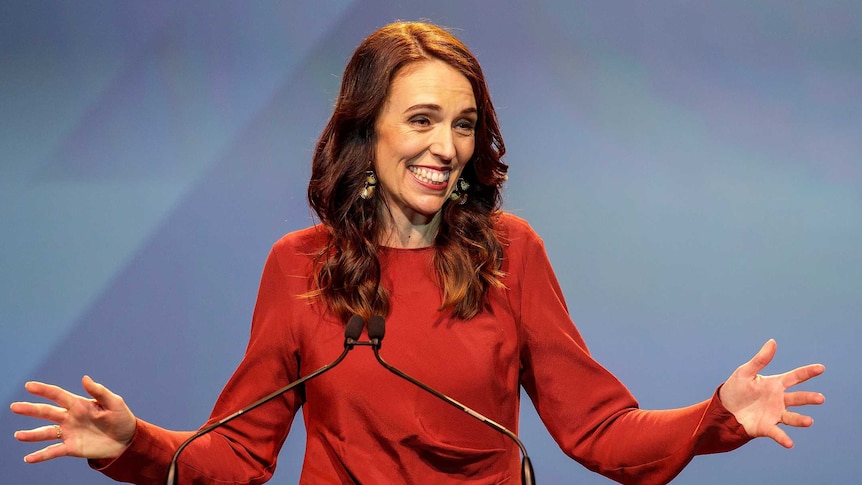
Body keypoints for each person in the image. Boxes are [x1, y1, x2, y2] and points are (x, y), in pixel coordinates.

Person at [11, 21, 824, 485]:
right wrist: (133, 444)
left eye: (464, 123)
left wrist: (719, 415)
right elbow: (240, 452)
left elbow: (600, 428)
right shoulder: (297, 265)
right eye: (424, 119)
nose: (447, 146)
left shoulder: (513, 252)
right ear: (368, 131)